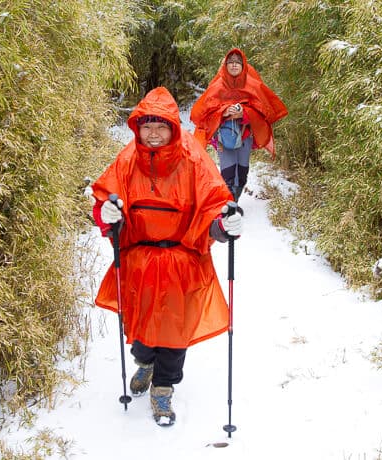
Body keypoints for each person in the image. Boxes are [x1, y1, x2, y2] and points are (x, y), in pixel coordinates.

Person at [91, 86, 243, 427]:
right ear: (137, 127)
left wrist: (224, 225)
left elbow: (212, 206)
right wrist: (107, 215)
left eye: (161, 125)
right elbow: (104, 202)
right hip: (138, 261)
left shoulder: (193, 159)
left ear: (173, 127)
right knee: (141, 334)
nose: (154, 132)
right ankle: (144, 364)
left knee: (173, 331)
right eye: (147, 125)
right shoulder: (128, 159)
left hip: (181, 262)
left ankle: (163, 388)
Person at [190, 48, 288, 201]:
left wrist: (245, 114)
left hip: (245, 136)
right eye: (230, 62)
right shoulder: (217, 87)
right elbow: (204, 114)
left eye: (237, 62)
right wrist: (224, 112)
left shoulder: (253, 86)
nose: (234, 65)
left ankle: (234, 198)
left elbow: (264, 111)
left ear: (243, 66)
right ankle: (230, 205)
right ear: (225, 66)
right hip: (224, 137)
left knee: (242, 174)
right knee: (228, 172)